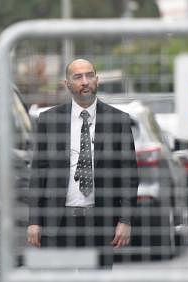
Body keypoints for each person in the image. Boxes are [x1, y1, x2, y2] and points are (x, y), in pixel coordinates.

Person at [27, 59, 139, 269]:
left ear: (97, 79)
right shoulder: (49, 120)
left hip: (100, 223)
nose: (85, 81)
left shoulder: (118, 121)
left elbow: (129, 175)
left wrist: (125, 220)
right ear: (67, 83)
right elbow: (38, 172)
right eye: (78, 77)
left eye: (89, 75)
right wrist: (34, 220)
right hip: (58, 224)